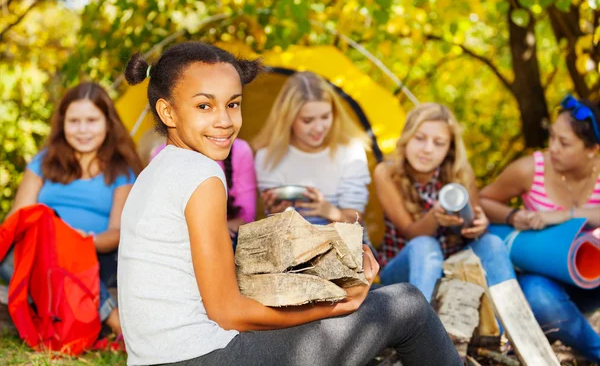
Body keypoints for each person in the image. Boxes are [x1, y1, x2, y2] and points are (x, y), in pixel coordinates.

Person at [117, 42, 461, 366]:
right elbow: (227, 313)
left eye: (233, 104)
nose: (224, 120)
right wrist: (338, 305)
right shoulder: (202, 173)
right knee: (408, 306)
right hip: (203, 357)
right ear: (168, 112)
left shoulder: (155, 171)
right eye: (204, 106)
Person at [0, 82, 143, 336]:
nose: (83, 130)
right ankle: (110, 316)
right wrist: (54, 243)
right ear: (62, 124)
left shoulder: (122, 170)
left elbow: (118, 232)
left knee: (69, 258)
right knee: (27, 253)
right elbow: (17, 219)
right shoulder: (43, 162)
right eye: (74, 121)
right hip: (38, 254)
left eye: (92, 120)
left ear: (107, 123)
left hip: (95, 254)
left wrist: (82, 242)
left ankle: (76, 310)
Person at [480, 95, 600, 362]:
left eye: (564, 142)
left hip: (590, 280)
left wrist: (563, 216)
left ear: (592, 149)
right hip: (542, 280)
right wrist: (512, 216)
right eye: (552, 137)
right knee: (537, 296)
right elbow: (482, 200)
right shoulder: (530, 169)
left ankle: (566, 328)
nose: (553, 148)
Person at [373, 103, 516, 301]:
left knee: (491, 242)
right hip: (403, 271)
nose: (427, 149)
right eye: (420, 138)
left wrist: (478, 225)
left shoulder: (461, 173)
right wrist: (436, 216)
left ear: (449, 148)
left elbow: (471, 230)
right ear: (406, 138)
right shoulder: (386, 173)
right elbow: (412, 233)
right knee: (425, 245)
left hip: (452, 265)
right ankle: (421, 328)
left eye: (439, 143)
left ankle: (508, 325)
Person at [253, 71, 371, 227]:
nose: (319, 128)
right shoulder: (269, 156)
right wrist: (275, 211)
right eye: (308, 120)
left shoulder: (350, 151)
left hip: (343, 240)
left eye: (325, 117)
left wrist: (329, 211)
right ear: (288, 119)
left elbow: (355, 220)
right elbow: (274, 224)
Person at [144, 134, 257, 249]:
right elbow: (161, 220)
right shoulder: (162, 156)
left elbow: (246, 215)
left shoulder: (239, 150)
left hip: (225, 239)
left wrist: (218, 233)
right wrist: (209, 232)